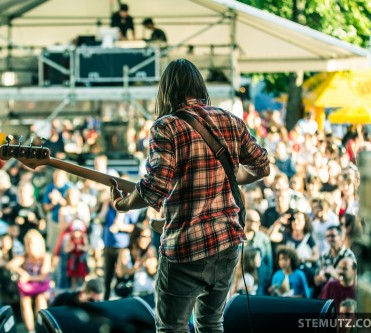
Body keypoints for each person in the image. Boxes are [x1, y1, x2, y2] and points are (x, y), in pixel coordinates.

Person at [109, 59, 270, 333]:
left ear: (166, 91)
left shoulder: (166, 127)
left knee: (172, 328)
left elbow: (154, 189)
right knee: (211, 324)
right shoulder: (229, 119)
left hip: (185, 247)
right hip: (227, 242)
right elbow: (262, 165)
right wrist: (229, 174)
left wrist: (122, 204)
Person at [7, 230, 51, 333]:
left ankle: (42, 327)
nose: (30, 247)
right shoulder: (25, 256)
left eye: (33, 244)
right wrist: (21, 272)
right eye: (28, 244)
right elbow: (10, 265)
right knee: (25, 301)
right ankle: (31, 330)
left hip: (42, 287)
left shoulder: (45, 257)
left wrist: (28, 277)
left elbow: (43, 276)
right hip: (28, 289)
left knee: (40, 300)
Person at [115, 224, 157, 297]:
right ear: (136, 236)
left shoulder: (151, 250)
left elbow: (153, 273)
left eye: (149, 237)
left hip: (148, 292)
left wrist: (149, 264)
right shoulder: (125, 251)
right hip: (131, 294)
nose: (147, 240)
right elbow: (120, 273)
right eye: (144, 236)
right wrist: (140, 263)